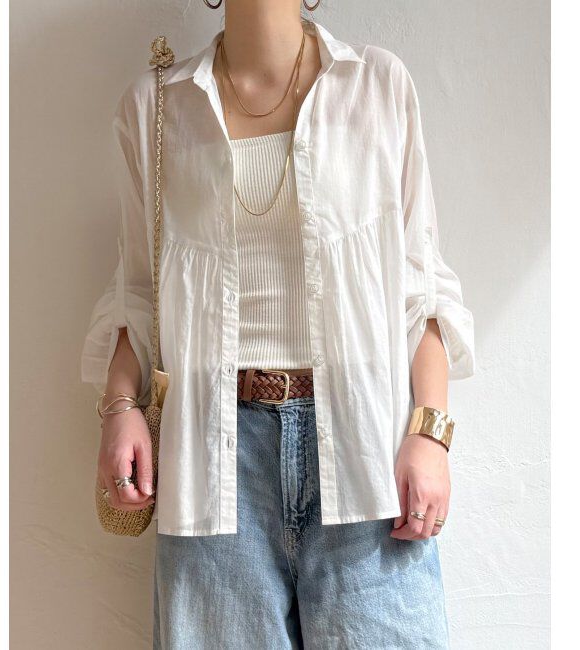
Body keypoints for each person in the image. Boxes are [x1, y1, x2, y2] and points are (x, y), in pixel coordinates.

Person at [80, 1, 475, 647]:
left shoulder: (376, 85)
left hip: (366, 449)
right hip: (210, 458)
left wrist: (431, 433)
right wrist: (120, 407)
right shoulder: (156, 105)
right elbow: (139, 287)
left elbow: (420, 282)